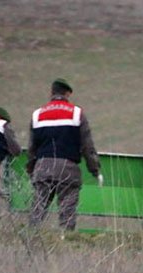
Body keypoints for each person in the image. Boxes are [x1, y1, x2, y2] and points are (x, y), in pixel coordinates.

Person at [27, 78, 101, 231]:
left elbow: (32, 148)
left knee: (38, 209)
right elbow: (87, 146)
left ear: (51, 93)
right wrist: (94, 169)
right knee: (67, 214)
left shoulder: (37, 114)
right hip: (68, 170)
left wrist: (32, 170)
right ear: (68, 94)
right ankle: (65, 243)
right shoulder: (77, 113)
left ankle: (30, 238)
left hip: (43, 168)